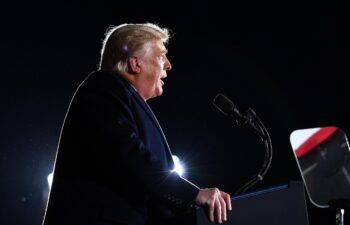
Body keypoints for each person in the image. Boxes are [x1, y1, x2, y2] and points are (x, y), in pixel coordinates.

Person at [43, 23, 231, 225]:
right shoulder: (103, 87)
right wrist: (193, 194)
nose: (168, 64)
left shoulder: (126, 98)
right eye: (161, 55)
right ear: (135, 63)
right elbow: (128, 156)